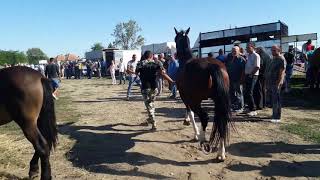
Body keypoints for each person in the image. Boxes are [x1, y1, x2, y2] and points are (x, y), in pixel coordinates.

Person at [135, 51, 175, 130]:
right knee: (151, 104)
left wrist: (141, 74)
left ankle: (153, 123)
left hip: (145, 88)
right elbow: (163, 73)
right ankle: (150, 119)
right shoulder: (157, 63)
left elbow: (136, 73)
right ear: (151, 56)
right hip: (154, 87)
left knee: (149, 105)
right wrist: (171, 81)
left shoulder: (140, 64)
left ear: (145, 56)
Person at [265, 45, 286, 123]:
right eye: (272, 50)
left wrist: (278, 83)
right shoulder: (274, 58)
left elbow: (282, 72)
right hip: (271, 82)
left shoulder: (281, 59)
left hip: (276, 83)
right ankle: (274, 114)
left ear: (279, 50)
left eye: (274, 50)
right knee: (273, 99)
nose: (272, 52)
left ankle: (277, 117)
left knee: (276, 100)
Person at [225, 46, 246, 112]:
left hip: (238, 79)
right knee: (232, 93)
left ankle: (240, 107)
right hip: (230, 79)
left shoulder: (241, 59)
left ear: (238, 51)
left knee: (239, 93)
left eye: (235, 51)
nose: (233, 52)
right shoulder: (230, 59)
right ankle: (234, 106)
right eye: (232, 51)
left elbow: (243, 71)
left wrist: (242, 79)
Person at [244, 42, 261, 116]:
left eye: (248, 47)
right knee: (248, 92)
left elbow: (257, 67)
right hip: (248, 75)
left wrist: (251, 74)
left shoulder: (256, 55)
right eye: (246, 47)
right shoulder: (248, 55)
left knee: (249, 92)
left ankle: (253, 110)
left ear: (253, 47)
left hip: (253, 76)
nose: (246, 49)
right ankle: (250, 107)